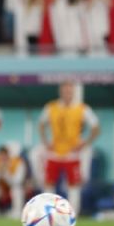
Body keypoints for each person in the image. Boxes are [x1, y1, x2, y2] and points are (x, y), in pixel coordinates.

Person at [39, 81, 99, 214]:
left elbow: (95, 127)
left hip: (72, 153)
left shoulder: (82, 108)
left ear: (73, 92)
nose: (67, 93)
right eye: (64, 90)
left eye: (69, 91)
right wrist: (46, 142)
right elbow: (41, 124)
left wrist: (85, 143)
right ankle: (47, 213)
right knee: (49, 183)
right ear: (60, 92)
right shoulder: (51, 107)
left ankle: (72, 214)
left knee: (74, 185)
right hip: (54, 152)